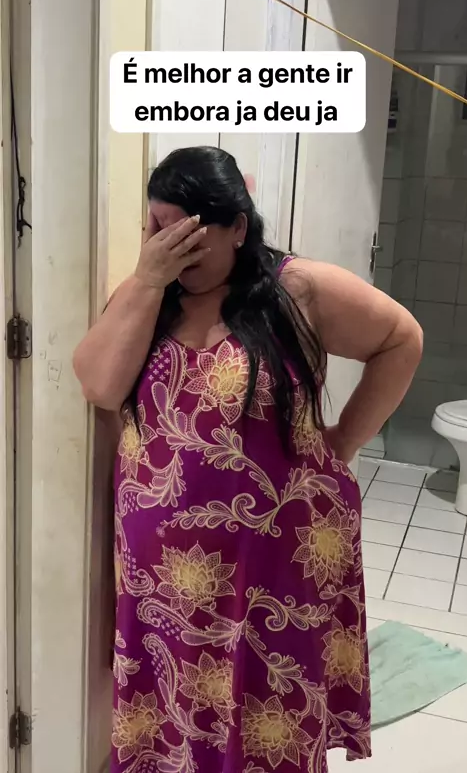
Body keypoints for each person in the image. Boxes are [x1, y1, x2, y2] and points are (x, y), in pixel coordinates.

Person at [73, 146, 422, 773]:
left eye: (189, 235)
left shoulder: (296, 289)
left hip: (273, 562)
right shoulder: (150, 293)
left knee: (268, 709)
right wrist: (149, 279)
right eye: (158, 229)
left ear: (237, 227)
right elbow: (99, 386)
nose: (174, 250)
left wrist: (343, 441)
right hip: (166, 577)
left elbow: (402, 339)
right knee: (173, 711)